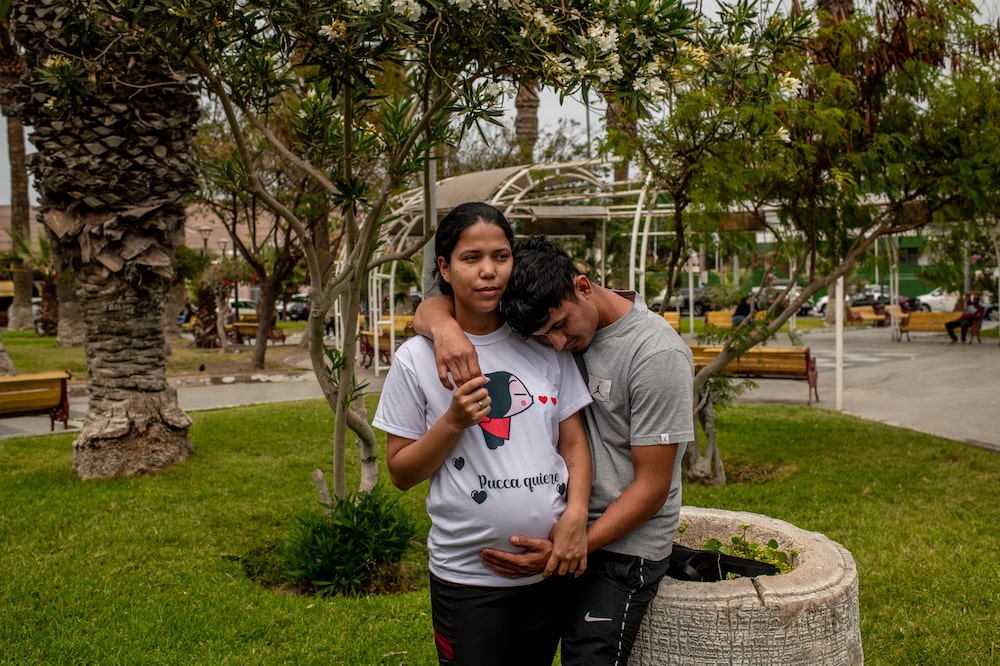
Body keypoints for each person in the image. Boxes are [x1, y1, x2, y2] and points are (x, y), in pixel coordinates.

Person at [414, 235, 695, 665]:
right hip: (560, 538)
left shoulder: (654, 353)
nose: (559, 344)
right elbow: (438, 304)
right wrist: (443, 325)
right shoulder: (542, 321)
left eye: (561, 325)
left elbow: (653, 487)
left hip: (621, 552)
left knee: (587, 657)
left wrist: (573, 543)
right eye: (545, 337)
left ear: (583, 287)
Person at [372, 203, 594, 666]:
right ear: (445, 268)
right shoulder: (416, 358)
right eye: (471, 258)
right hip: (466, 579)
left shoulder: (541, 343)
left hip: (545, 574)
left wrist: (575, 514)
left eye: (501, 256)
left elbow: (572, 443)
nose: (489, 271)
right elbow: (400, 472)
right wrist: (452, 422)